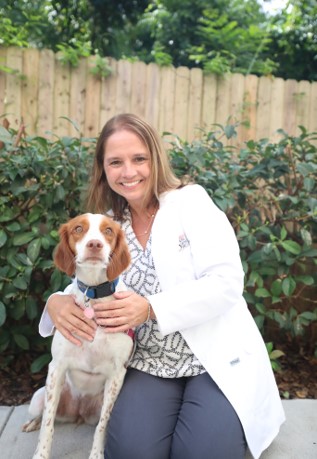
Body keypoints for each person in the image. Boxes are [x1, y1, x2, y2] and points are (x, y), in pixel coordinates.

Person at [40, 113, 285, 459]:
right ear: (103, 169)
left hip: (209, 360)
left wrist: (151, 307)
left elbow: (227, 281)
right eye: (116, 162)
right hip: (149, 363)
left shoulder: (192, 202)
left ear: (155, 159)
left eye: (139, 159)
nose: (129, 172)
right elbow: (90, 284)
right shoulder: (111, 222)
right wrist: (55, 301)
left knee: (201, 453)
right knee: (131, 452)